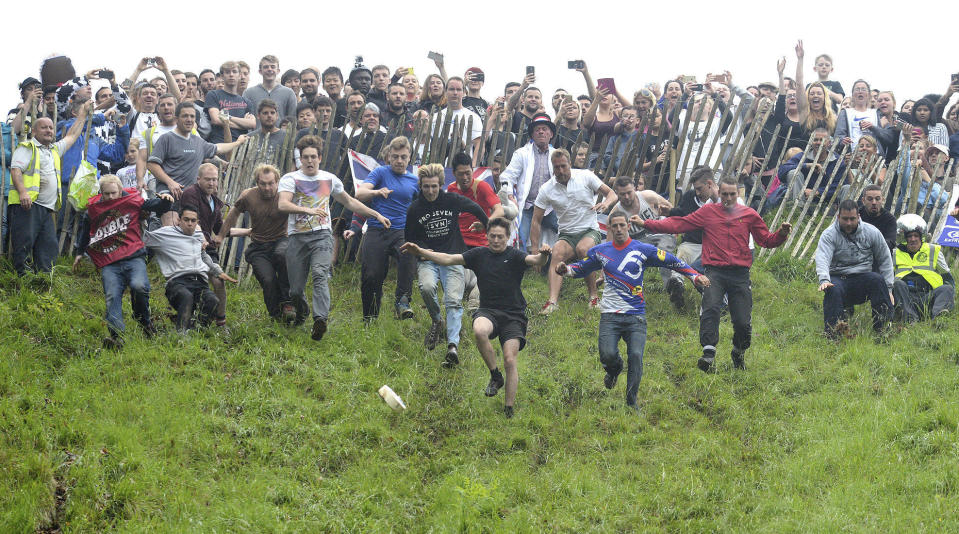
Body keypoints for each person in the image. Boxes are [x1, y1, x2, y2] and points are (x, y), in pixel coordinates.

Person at [555, 211, 709, 412]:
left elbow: (672, 260)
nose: (618, 229)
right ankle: (614, 368)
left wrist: (694, 276)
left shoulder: (643, 249)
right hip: (609, 314)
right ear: (609, 228)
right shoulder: (600, 251)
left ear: (628, 226)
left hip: (636, 315)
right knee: (607, 355)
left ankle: (631, 402)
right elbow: (582, 268)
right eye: (614, 226)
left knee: (636, 355)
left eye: (622, 225)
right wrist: (564, 270)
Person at [400, 219, 552, 418]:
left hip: (514, 315)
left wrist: (544, 254)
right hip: (488, 310)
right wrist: (420, 251)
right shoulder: (479, 254)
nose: (496, 240)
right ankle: (495, 376)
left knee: (509, 359)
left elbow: (536, 261)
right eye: (493, 236)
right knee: (479, 330)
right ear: (487, 236)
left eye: (500, 237)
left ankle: (508, 408)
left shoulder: (515, 255)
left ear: (508, 238)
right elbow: (447, 259)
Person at [639, 176, 792, 372]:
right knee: (711, 308)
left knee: (742, 322)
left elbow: (767, 241)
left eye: (732, 194)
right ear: (719, 193)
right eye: (725, 194)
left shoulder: (749, 215)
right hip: (715, 272)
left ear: (738, 194)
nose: (728, 198)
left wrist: (781, 233)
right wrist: (648, 224)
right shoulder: (708, 212)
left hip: (740, 275)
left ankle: (738, 351)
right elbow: (679, 224)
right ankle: (708, 354)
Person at [278, 136, 390, 339]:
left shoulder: (329, 179)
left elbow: (350, 202)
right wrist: (308, 210)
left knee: (320, 274)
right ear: (300, 159)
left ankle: (320, 319)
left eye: (313, 157)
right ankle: (302, 313)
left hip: (321, 236)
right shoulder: (290, 179)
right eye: (305, 157)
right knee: (295, 290)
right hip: (297, 237)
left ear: (320, 158)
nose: (310, 161)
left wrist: (376, 214)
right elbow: (283, 205)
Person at [73, 175, 173, 347]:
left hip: (134, 256)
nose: (111, 197)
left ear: (120, 190)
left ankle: (144, 320)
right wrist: (79, 252)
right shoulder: (95, 208)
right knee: (112, 295)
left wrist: (166, 201)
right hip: (109, 261)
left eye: (114, 193)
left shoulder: (131, 200)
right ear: (101, 193)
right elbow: (85, 228)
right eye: (106, 194)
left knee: (139, 286)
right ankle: (116, 337)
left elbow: (156, 206)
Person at [404, 163, 489, 365]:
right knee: (426, 288)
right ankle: (436, 319)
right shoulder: (415, 208)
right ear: (421, 186)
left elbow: (475, 207)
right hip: (429, 259)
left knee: (452, 300)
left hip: (452, 256)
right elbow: (410, 238)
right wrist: (423, 251)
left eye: (434, 186)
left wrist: (486, 225)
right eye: (426, 187)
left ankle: (452, 346)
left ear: (441, 185)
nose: (430, 191)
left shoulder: (451, 199)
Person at [530, 149, 616, 315]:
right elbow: (536, 220)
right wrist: (535, 251)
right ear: (552, 168)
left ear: (570, 164)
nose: (561, 171)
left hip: (589, 230)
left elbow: (611, 194)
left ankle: (593, 297)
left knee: (583, 250)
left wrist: (606, 204)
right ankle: (552, 302)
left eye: (563, 166)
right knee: (557, 252)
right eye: (557, 168)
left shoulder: (585, 176)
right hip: (567, 234)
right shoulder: (547, 188)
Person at [8, 111, 88, 275]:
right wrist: (23, 193)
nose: (49, 131)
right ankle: (21, 279)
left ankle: (44, 279)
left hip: (46, 207)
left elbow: (72, 136)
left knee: (48, 245)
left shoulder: (53, 150)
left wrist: (83, 114)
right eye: (44, 128)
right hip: (29, 205)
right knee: (24, 242)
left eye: (51, 128)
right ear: (35, 132)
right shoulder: (27, 147)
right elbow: (16, 171)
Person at [147, 102, 247, 224]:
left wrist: (238, 143)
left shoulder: (198, 142)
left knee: (194, 236)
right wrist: (170, 183)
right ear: (177, 118)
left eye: (192, 116)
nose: (189, 119)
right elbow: (152, 164)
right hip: (169, 196)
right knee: (172, 235)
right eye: (185, 116)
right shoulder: (166, 138)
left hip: (191, 198)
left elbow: (218, 148)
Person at [216, 164, 293, 322]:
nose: (267, 187)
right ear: (257, 183)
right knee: (268, 280)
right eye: (263, 184)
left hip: (281, 240)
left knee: (282, 254)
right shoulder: (248, 196)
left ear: (277, 182)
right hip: (259, 247)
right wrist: (220, 236)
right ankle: (276, 316)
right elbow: (233, 214)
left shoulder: (285, 195)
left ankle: (288, 303)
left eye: (271, 183)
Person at [354, 136, 420, 321]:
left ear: (409, 158)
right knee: (371, 275)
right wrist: (377, 192)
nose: (399, 161)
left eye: (403, 157)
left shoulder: (414, 181)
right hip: (377, 228)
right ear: (389, 157)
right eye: (395, 156)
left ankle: (402, 301)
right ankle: (370, 317)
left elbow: (421, 206)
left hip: (401, 231)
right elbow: (360, 193)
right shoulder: (380, 173)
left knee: (409, 258)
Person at [143, 204, 238, 333]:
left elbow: (204, 257)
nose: (189, 223)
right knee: (186, 296)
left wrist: (218, 272)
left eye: (193, 221)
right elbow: (144, 237)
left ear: (197, 222)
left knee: (213, 301)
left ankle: (195, 331)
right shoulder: (166, 234)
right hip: (177, 282)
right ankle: (181, 334)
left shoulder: (199, 235)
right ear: (179, 220)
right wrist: (142, 217)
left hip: (200, 282)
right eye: (186, 220)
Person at [814, 199, 894, 339]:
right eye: (845, 219)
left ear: (859, 217)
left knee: (877, 280)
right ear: (838, 217)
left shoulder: (872, 232)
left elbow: (885, 259)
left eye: (852, 219)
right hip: (839, 278)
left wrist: (889, 289)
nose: (849, 223)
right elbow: (822, 258)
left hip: (863, 277)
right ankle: (833, 335)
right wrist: (824, 280)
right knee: (832, 288)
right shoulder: (828, 235)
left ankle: (883, 330)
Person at [608, 176, 688, 308]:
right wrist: (604, 272)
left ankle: (674, 288)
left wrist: (681, 229)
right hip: (639, 243)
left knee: (663, 255)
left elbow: (672, 210)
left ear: (635, 189)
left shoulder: (648, 196)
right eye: (622, 194)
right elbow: (609, 246)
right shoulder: (615, 214)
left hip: (661, 233)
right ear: (617, 193)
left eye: (629, 192)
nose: (627, 197)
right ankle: (628, 300)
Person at [446, 151, 504, 310]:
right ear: (454, 174)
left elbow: (499, 210)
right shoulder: (451, 190)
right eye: (460, 174)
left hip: (481, 244)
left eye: (468, 173)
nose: (465, 177)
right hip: (460, 246)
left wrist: (485, 223)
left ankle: (475, 304)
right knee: (458, 280)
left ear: (472, 170)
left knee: (485, 279)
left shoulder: (482, 187)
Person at [180, 163, 230, 329]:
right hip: (189, 246)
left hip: (207, 247)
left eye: (215, 180)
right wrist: (201, 237)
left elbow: (220, 229)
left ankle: (221, 322)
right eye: (208, 179)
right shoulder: (190, 194)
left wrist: (248, 231)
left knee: (218, 281)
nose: (212, 183)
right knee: (192, 285)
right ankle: (188, 320)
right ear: (198, 179)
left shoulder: (215, 202)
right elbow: (193, 220)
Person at [499, 114, 557, 251]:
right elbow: (508, 176)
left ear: (551, 134)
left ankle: (564, 262)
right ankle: (522, 265)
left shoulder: (557, 154)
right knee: (520, 236)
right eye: (537, 130)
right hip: (528, 206)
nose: (541, 132)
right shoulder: (522, 153)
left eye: (544, 129)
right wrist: (509, 195)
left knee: (567, 230)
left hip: (550, 206)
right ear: (532, 135)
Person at [892, 214, 954, 322]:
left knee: (946, 289)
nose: (913, 239)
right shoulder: (895, 253)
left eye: (916, 236)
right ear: (904, 238)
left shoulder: (933, 251)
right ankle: (910, 318)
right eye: (909, 236)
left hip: (927, 298)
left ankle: (938, 317)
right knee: (897, 284)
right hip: (905, 298)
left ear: (921, 237)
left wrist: (950, 296)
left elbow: (947, 278)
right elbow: (887, 276)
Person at [205, 61, 256, 144]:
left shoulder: (246, 101)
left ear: (239, 75)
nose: (231, 75)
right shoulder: (213, 94)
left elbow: (252, 124)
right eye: (227, 72)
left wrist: (228, 117)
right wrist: (243, 124)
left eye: (234, 72)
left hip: (241, 146)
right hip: (220, 145)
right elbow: (216, 120)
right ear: (222, 76)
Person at [243, 55, 298, 125]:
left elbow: (292, 120)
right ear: (260, 71)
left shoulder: (289, 93)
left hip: (281, 135)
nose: (269, 69)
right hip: (255, 135)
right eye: (266, 67)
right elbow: (245, 119)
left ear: (278, 71)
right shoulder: (248, 93)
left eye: (273, 67)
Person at [858, 184, 897, 251]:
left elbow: (891, 242)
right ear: (863, 201)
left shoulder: (890, 219)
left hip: (880, 255)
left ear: (883, 200)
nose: (874, 202)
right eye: (870, 199)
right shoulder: (857, 216)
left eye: (877, 199)